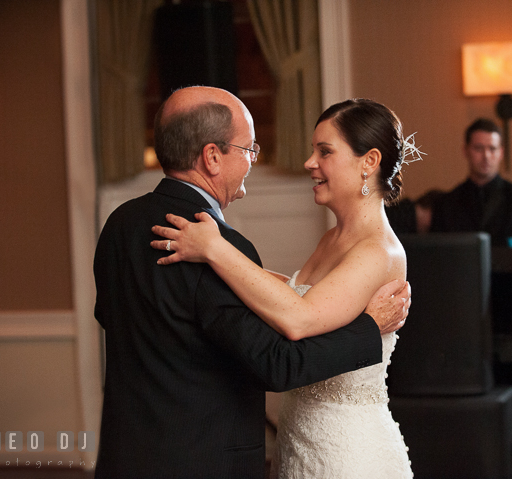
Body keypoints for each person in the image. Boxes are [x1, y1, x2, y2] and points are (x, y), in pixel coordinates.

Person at [93, 87, 411, 479]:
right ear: (212, 156)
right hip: (204, 459)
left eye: (324, 152)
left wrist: (217, 251)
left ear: (369, 162)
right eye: (248, 150)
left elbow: (108, 316)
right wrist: (368, 329)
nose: (309, 162)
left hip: (130, 454)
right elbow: (278, 363)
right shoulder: (217, 241)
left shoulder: (120, 224)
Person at [430, 118, 512, 246]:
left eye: (492, 149)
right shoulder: (445, 204)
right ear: (465, 151)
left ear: (501, 153)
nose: (486, 156)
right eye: (478, 148)